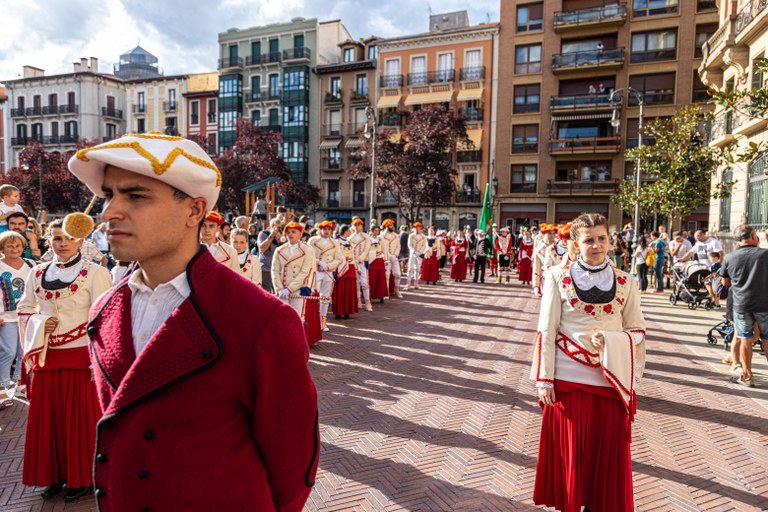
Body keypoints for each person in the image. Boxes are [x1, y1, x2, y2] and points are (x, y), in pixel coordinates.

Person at [68, 133, 319, 510]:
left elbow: (293, 464)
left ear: (194, 210)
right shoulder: (103, 308)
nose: (109, 212)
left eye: (135, 196)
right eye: (108, 195)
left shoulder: (262, 319)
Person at [531, 212, 646, 512]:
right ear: (575, 244)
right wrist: (544, 379)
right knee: (571, 458)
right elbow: (546, 328)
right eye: (589, 240)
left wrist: (613, 341)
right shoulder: (556, 276)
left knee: (603, 459)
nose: (597, 246)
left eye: (602, 238)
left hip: (609, 381)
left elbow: (637, 330)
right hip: (567, 381)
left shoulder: (626, 281)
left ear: (610, 240)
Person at [18, 219, 112, 502]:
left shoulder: (96, 273)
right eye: (57, 238)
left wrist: (100, 359)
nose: (63, 243)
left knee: (79, 420)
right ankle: (55, 474)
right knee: (52, 421)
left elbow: (104, 317)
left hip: (81, 357)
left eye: (69, 238)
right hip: (48, 358)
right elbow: (25, 308)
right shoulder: (36, 272)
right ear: (49, 240)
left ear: (81, 240)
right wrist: (38, 321)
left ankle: (80, 476)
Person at [720, 224, 768, 388]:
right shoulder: (765, 255)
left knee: (745, 339)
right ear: (754, 235)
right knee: (767, 340)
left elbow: (725, 282)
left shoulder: (729, 257)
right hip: (765, 303)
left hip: (742, 304)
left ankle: (748, 376)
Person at [0, 231, 34, 407]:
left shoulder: (30, 264)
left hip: (26, 315)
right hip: (5, 317)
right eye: (9, 246)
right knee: (8, 351)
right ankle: (3, 386)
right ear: (2, 248)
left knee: (24, 352)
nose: (14, 249)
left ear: (23, 247)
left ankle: (21, 382)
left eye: (17, 246)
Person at [309, 220, 343, 331]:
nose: (327, 231)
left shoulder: (335, 243)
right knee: (314, 296)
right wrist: (319, 262)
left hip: (328, 272)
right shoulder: (313, 241)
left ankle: (323, 321)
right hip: (316, 272)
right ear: (320, 230)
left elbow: (338, 258)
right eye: (324, 229)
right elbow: (308, 256)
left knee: (326, 297)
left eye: (329, 229)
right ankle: (312, 321)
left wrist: (328, 266)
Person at [332, 225, 359, 319]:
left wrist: (356, 267)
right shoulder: (336, 242)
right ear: (345, 231)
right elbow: (335, 255)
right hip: (341, 267)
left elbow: (353, 255)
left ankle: (347, 311)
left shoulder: (350, 242)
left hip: (350, 267)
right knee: (340, 289)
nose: (350, 232)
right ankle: (339, 312)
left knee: (349, 289)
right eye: (349, 231)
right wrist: (343, 259)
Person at [348, 217, 373, 311]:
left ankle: (367, 302)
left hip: (362, 262)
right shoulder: (350, 238)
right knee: (356, 283)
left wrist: (360, 259)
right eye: (355, 225)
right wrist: (354, 261)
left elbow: (367, 250)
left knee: (365, 283)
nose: (357, 227)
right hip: (353, 263)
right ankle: (358, 301)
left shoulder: (366, 237)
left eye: (359, 225)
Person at [257, 217, 284, 292]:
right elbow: (262, 248)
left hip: (278, 270)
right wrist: (272, 235)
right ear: (271, 227)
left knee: (279, 293)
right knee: (266, 293)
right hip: (265, 269)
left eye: (280, 227)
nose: (278, 230)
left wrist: (280, 240)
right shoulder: (264, 233)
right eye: (276, 227)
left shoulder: (282, 236)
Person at [380, 219, 403, 298]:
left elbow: (398, 246)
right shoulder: (381, 236)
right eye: (390, 225)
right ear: (386, 226)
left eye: (392, 225)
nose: (392, 226)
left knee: (398, 274)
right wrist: (385, 255)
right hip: (386, 257)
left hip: (394, 256)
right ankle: (386, 293)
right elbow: (380, 248)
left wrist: (395, 255)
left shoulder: (396, 235)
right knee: (387, 275)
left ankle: (397, 290)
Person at [533, 224, 557, 297]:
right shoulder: (540, 247)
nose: (552, 235)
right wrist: (536, 285)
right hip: (545, 276)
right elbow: (536, 266)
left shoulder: (558, 246)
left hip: (556, 276)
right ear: (544, 234)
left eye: (553, 233)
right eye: (549, 233)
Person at [368, 224, 390, 302]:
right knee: (372, 279)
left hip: (380, 259)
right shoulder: (368, 239)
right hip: (372, 260)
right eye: (375, 231)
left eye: (378, 231)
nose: (376, 232)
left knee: (381, 278)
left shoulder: (381, 239)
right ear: (371, 231)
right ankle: (370, 295)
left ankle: (381, 296)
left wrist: (386, 259)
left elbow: (385, 249)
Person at [406, 222, 427, 290]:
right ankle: (408, 283)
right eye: (415, 228)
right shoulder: (411, 236)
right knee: (410, 268)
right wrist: (413, 251)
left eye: (418, 227)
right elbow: (409, 245)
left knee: (417, 269)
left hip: (419, 254)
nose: (417, 229)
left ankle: (416, 283)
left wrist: (419, 252)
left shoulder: (423, 237)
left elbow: (424, 245)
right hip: (412, 254)